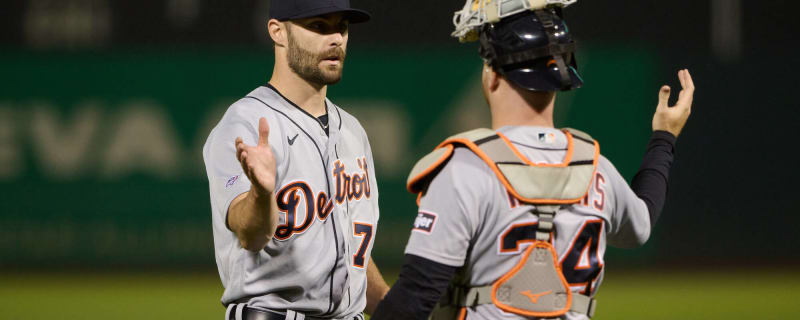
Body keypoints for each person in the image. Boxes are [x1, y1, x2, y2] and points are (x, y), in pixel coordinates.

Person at [371, 3, 694, 320]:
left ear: (491, 77)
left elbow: (412, 300)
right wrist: (664, 137)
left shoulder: (466, 168)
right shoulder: (596, 168)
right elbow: (643, 220)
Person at [202, 1, 389, 319]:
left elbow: (350, 253)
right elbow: (251, 235)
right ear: (278, 32)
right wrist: (261, 195)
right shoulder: (246, 124)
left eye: (341, 27)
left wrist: (398, 308)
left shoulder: (353, 132)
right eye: (319, 26)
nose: (336, 39)